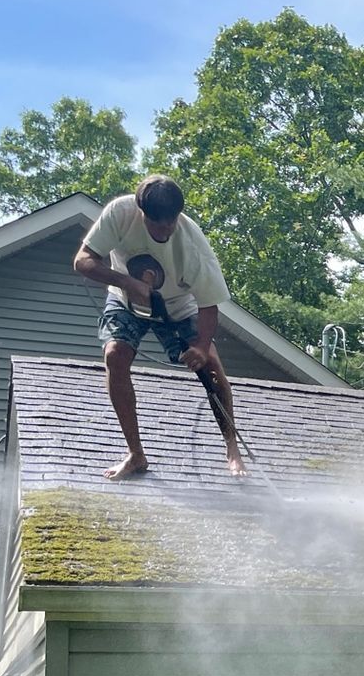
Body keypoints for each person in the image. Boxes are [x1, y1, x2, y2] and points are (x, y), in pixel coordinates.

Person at [73, 175, 246, 479]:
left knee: (213, 368)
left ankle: (232, 449)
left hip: (179, 305)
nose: (166, 228)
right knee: (115, 355)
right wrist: (127, 282)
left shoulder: (193, 245)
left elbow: (209, 305)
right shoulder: (119, 214)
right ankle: (136, 455)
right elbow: (83, 261)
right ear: (141, 212)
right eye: (158, 223)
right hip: (125, 299)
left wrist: (201, 348)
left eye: (172, 221)